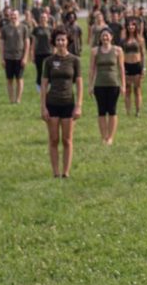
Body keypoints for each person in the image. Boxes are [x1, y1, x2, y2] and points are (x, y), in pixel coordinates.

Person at [42, 29, 83, 178]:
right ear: (54, 42)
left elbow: (79, 84)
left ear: (68, 42)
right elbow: (44, 84)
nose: (60, 42)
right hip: (52, 103)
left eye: (63, 40)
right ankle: (55, 172)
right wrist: (43, 106)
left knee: (67, 139)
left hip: (68, 103)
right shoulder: (49, 61)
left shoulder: (75, 60)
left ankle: (66, 172)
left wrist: (78, 105)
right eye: (58, 40)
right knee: (53, 139)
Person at [90, 28, 125, 145]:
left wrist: (123, 85)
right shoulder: (95, 51)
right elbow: (92, 69)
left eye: (107, 36)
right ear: (100, 38)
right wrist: (90, 85)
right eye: (103, 36)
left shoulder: (118, 50)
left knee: (112, 111)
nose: (105, 38)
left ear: (111, 37)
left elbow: (121, 69)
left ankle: (110, 137)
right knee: (101, 111)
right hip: (99, 84)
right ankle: (103, 136)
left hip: (113, 84)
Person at [0, 9, 30, 104]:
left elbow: (27, 42)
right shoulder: (5, 28)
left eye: (15, 15)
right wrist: (2, 57)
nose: (13, 17)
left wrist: (25, 57)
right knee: (9, 79)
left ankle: (18, 99)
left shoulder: (24, 27)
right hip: (8, 57)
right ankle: (11, 99)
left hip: (19, 57)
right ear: (9, 16)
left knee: (19, 78)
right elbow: (1, 43)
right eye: (12, 15)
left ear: (19, 16)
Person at [121, 20, 145, 116]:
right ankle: (128, 112)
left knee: (137, 89)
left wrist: (143, 68)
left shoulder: (140, 40)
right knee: (127, 90)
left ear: (136, 27)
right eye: (129, 25)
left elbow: (143, 55)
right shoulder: (123, 40)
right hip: (127, 65)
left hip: (137, 66)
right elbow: (121, 55)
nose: (131, 27)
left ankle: (138, 111)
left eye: (133, 25)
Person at [31, 12, 54, 92]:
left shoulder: (51, 29)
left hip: (49, 52)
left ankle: (49, 88)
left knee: (49, 71)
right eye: (41, 17)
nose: (43, 19)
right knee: (39, 71)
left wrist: (54, 52)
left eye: (44, 17)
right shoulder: (36, 29)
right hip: (38, 53)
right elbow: (33, 42)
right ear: (39, 19)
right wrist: (32, 54)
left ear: (47, 19)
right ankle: (39, 88)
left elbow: (53, 43)